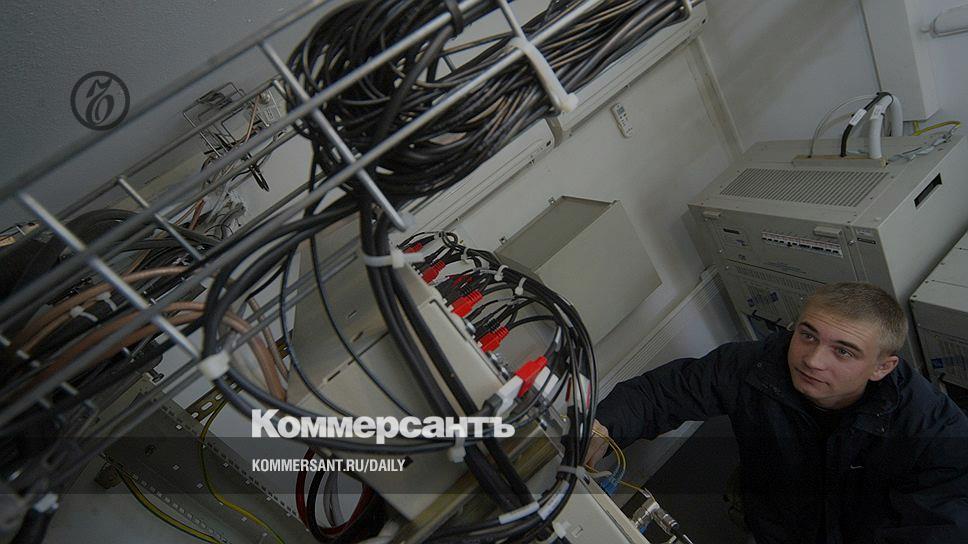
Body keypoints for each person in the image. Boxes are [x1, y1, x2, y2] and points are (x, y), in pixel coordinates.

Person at [587, 282, 968, 543]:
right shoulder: (755, 365)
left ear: (882, 367)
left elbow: (943, 526)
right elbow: (662, 393)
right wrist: (603, 428)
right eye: (808, 335)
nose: (812, 360)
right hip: (778, 522)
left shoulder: (933, 427)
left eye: (843, 351)